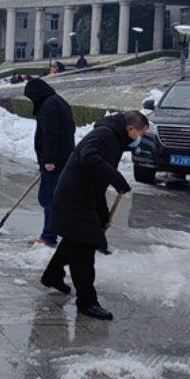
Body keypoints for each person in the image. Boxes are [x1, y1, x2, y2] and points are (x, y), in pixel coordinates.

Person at [40, 111, 147, 321]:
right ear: (130, 130)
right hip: (73, 198)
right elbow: (89, 158)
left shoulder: (114, 138)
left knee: (76, 238)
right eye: (140, 134)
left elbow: (97, 180)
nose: (139, 140)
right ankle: (87, 302)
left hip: (84, 196)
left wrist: (102, 215)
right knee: (83, 247)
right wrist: (117, 179)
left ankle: (52, 275)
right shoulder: (105, 135)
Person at [24, 78, 76, 247]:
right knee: (55, 199)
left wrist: (49, 160)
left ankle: (52, 235)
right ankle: (54, 234)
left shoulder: (48, 106)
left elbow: (50, 134)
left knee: (49, 199)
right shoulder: (58, 101)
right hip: (64, 159)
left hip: (55, 162)